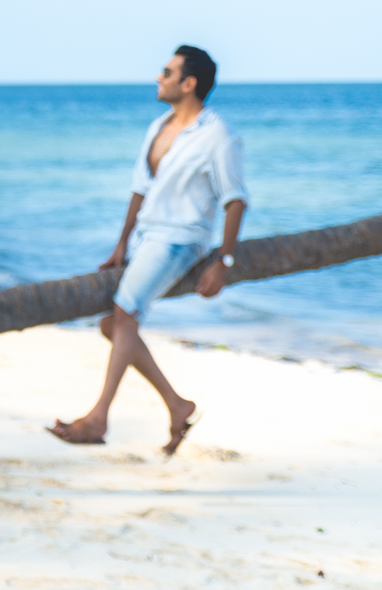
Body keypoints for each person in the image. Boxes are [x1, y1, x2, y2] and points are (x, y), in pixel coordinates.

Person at [49, 45, 248, 457]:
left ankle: (98, 417)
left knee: (123, 317)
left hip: (181, 238)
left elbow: (236, 200)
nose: (159, 77)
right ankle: (178, 406)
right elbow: (140, 188)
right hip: (147, 238)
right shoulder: (159, 126)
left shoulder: (219, 136)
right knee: (113, 325)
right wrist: (122, 242)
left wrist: (223, 261)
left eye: (167, 72)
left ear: (188, 83)